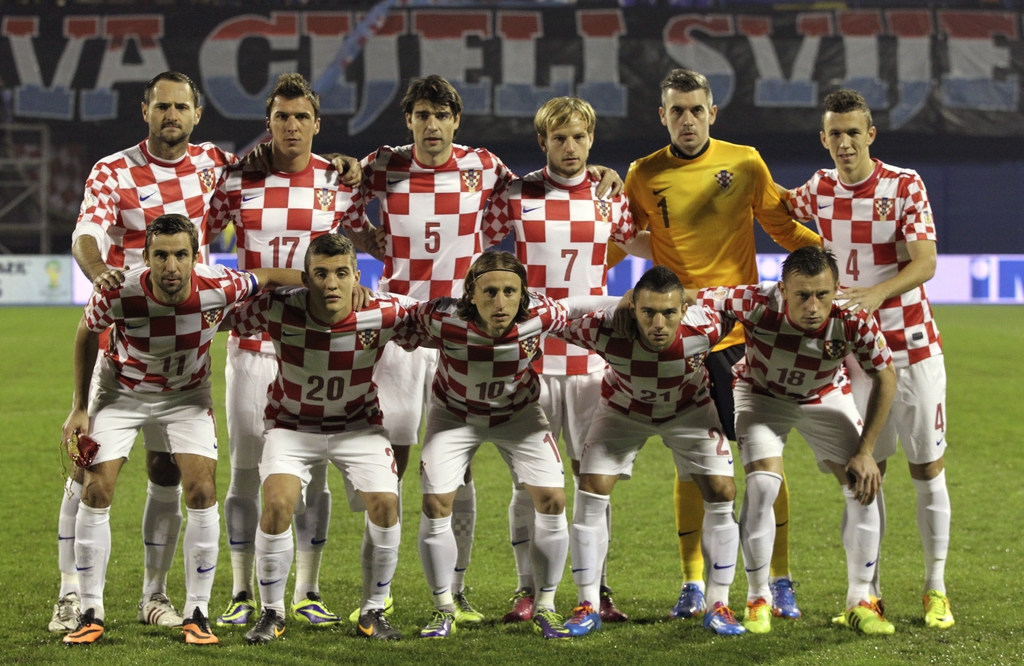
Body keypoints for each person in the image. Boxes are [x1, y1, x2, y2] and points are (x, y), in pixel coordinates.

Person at [341, 75, 622, 624]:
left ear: (455, 120)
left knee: (457, 469)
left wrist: (599, 174)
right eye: (422, 114)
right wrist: (364, 237)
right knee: (390, 467)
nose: (432, 124)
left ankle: (459, 591)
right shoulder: (385, 163)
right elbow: (342, 189)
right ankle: (378, 596)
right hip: (402, 333)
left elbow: (543, 191)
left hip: (461, 333)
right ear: (410, 120)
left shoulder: (486, 167)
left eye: (442, 115)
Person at [618, 68, 821, 620]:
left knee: (763, 459)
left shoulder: (746, 162)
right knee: (693, 466)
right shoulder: (643, 174)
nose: (687, 119)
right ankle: (691, 582)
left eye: (696, 109)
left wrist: (831, 256)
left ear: (713, 112)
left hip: (737, 337)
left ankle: (779, 578)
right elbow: (617, 237)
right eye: (676, 111)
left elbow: (783, 226)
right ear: (662, 116)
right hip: (677, 340)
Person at [54, 70, 238, 634]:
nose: (171, 115)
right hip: (124, 342)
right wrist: (101, 276)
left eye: (181, 107)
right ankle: (70, 594)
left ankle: (153, 596)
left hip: (183, 349)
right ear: (145, 110)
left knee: (166, 470)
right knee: (89, 473)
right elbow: (86, 234)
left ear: (196, 113)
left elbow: (276, 175)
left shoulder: (215, 164)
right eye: (162, 106)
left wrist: (342, 165)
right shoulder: (113, 170)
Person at [59, 214, 299, 645]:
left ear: (195, 257)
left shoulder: (219, 285)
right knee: (96, 489)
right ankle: (90, 609)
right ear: (146, 257)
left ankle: (197, 612)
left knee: (202, 491)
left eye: (181, 255)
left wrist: (318, 280)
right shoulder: (121, 291)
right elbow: (84, 333)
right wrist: (79, 407)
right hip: (121, 393)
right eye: (161, 255)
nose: (171, 266)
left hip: (186, 397)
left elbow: (266, 277)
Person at [783, 89, 954, 630]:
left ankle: (935, 589)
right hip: (855, 356)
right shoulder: (818, 189)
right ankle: (867, 595)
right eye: (834, 132)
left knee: (927, 470)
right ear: (823, 138)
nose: (844, 142)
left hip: (912, 348)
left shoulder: (904, 184)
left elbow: (925, 262)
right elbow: (765, 199)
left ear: (870, 135)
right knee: (865, 474)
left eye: (853, 132)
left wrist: (879, 293)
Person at [206, 73, 367, 628]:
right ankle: (241, 590)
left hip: (319, 349)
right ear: (268, 123)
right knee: (247, 470)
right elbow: (201, 240)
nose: (292, 126)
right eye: (282, 117)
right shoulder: (236, 180)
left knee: (314, 473)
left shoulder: (340, 182)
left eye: (302, 117)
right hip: (253, 343)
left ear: (317, 125)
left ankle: (307, 588)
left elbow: (368, 241)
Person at [482, 96, 644, 623]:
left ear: (591, 141)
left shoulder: (609, 198)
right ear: (542, 143)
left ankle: (594, 588)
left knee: (591, 479)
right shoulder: (516, 193)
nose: (570, 148)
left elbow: (647, 243)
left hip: (591, 364)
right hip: (529, 362)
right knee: (529, 483)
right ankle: (527, 589)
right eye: (559, 138)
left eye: (578, 138)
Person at [698, 245, 897, 635]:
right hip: (762, 395)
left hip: (824, 395)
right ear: (782, 290)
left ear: (836, 289)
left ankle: (861, 599)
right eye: (802, 295)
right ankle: (759, 597)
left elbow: (885, 377)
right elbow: (697, 297)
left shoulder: (853, 316)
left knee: (863, 485)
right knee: (761, 484)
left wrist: (866, 451)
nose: (813, 306)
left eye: (822, 294)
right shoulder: (753, 301)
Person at [226, 234, 409, 643]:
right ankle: (271, 612)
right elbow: (215, 315)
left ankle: (373, 610)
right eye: (321, 274)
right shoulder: (276, 307)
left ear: (358, 278)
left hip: (358, 428)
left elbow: (437, 326)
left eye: (341, 274)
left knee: (385, 503)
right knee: (275, 503)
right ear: (305, 279)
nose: (331, 284)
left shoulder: (385, 312)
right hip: (292, 428)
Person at [557, 266, 745, 636]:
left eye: (669, 312)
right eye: (648, 312)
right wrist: (614, 303)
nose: (659, 323)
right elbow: (556, 315)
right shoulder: (605, 328)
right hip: (623, 412)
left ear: (683, 308)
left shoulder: (706, 325)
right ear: (633, 309)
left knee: (723, 491)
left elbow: (756, 300)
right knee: (590, 487)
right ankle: (587, 604)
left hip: (688, 412)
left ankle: (719, 604)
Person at [409, 251, 588, 640]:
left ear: (524, 294)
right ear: (471, 293)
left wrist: (629, 301)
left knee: (553, 500)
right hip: (454, 416)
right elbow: (401, 313)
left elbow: (578, 305)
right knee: (436, 502)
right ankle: (444, 608)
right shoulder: (442, 317)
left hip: (518, 416)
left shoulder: (538, 315)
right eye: (490, 292)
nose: (501, 302)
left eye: (510, 291)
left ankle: (546, 606)